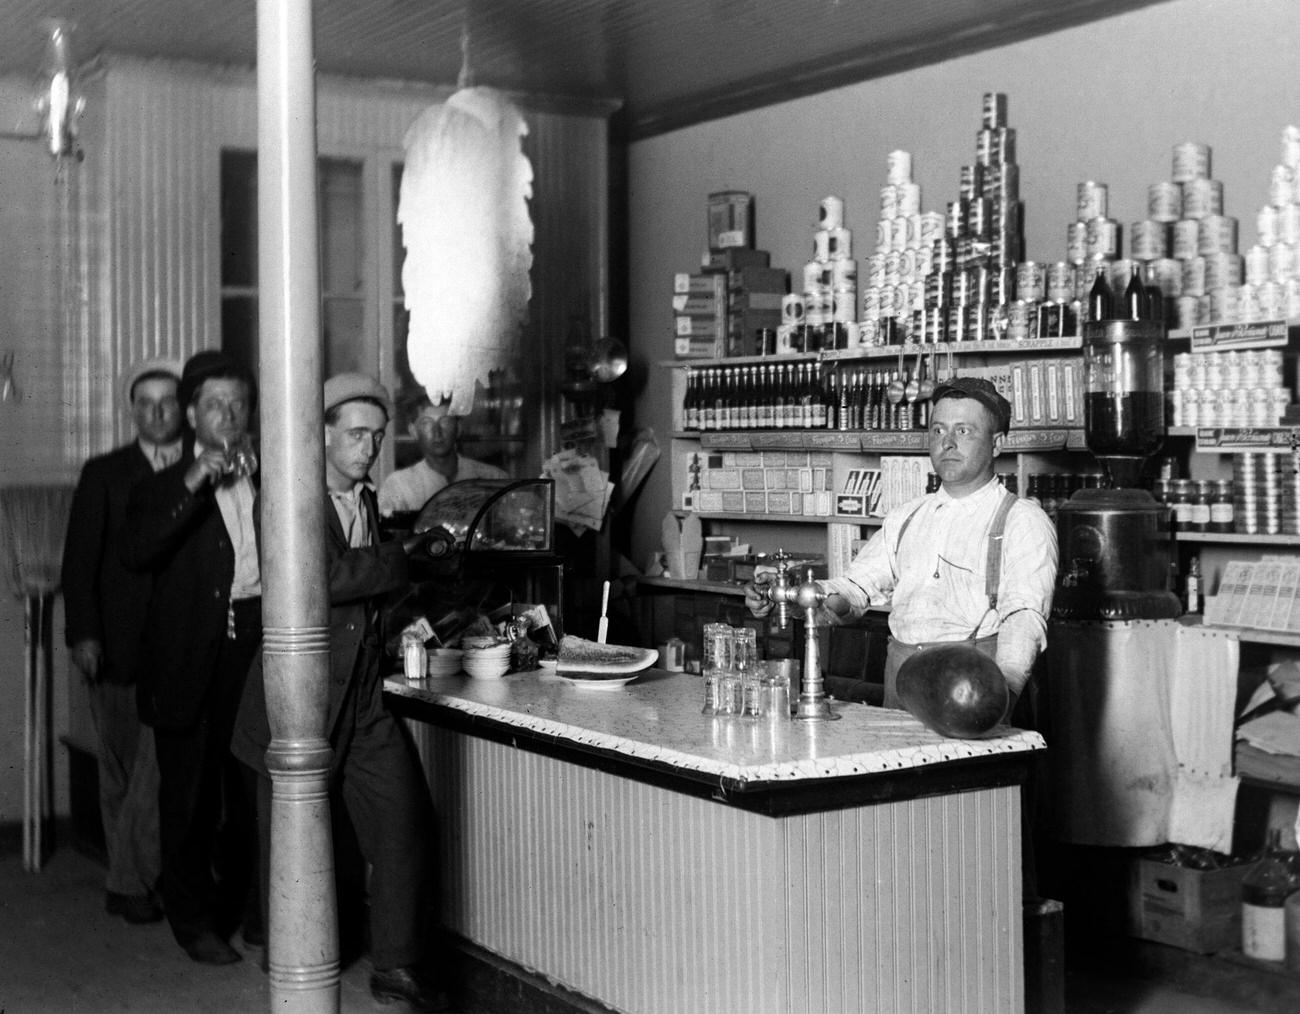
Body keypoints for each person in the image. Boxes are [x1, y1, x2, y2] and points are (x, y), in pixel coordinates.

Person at [232, 372, 447, 1012]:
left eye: (377, 437)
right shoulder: (285, 495)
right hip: (298, 697)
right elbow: (319, 576)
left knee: (405, 822)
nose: (369, 448)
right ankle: (288, 952)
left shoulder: (368, 499)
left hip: (362, 693)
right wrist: (405, 559)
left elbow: (366, 593)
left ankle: (398, 965)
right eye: (356, 434)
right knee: (291, 843)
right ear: (320, 434)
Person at [746, 376, 1058, 718]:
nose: (948, 443)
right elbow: (855, 590)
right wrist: (799, 596)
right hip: (900, 683)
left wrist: (1002, 698)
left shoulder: (1021, 519)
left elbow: (1024, 620)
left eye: (964, 431)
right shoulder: (907, 516)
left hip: (974, 690)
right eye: (938, 431)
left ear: (997, 443)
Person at [119, 350, 262, 965]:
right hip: (188, 660)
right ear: (190, 414)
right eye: (213, 405)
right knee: (190, 797)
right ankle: (193, 921)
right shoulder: (160, 486)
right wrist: (197, 477)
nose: (227, 416)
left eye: (237, 404)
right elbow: (138, 550)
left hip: (255, 649)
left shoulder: (268, 473)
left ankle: (254, 913)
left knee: (252, 791)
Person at [61, 357, 183, 925]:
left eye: (167, 401)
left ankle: (128, 882)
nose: (157, 412)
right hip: (116, 643)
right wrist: (84, 635)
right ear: (132, 411)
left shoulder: (202, 469)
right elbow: (79, 563)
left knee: (152, 768)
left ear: (181, 408)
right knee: (120, 768)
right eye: (145, 403)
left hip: (180, 644)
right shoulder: (104, 473)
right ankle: (132, 876)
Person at [377, 391, 506, 516]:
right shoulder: (399, 485)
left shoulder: (493, 478)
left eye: (445, 421)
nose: (437, 432)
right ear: (413, 431)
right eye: (426, 423)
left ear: (458, 428)